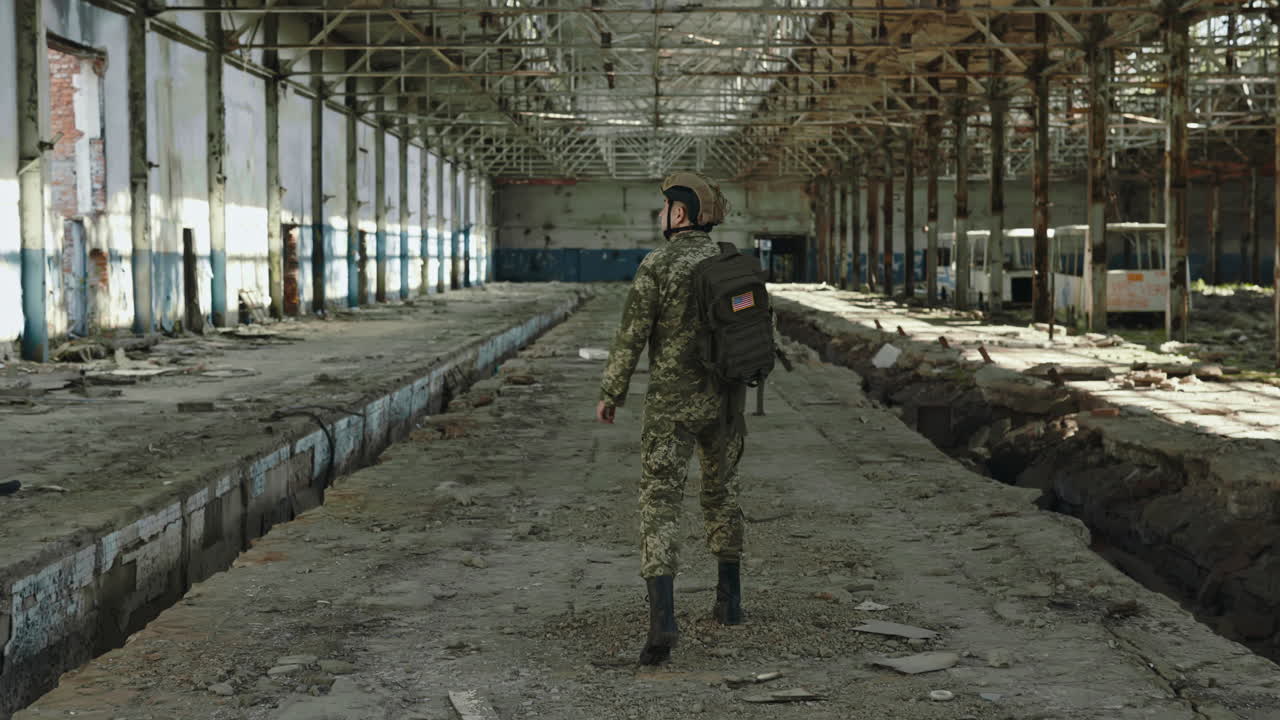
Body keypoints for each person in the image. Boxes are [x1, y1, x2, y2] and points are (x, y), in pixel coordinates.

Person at [595, 172, 747, 665]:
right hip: (725, 402)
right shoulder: (731, 263)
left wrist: (612, 392)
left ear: (679, 214)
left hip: (672, 406)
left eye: (664, 208)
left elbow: (632, 334)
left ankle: (663, 619)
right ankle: (730, 602)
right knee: (722, 493)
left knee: (660, 501)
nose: (661, 215)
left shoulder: (658, 264)